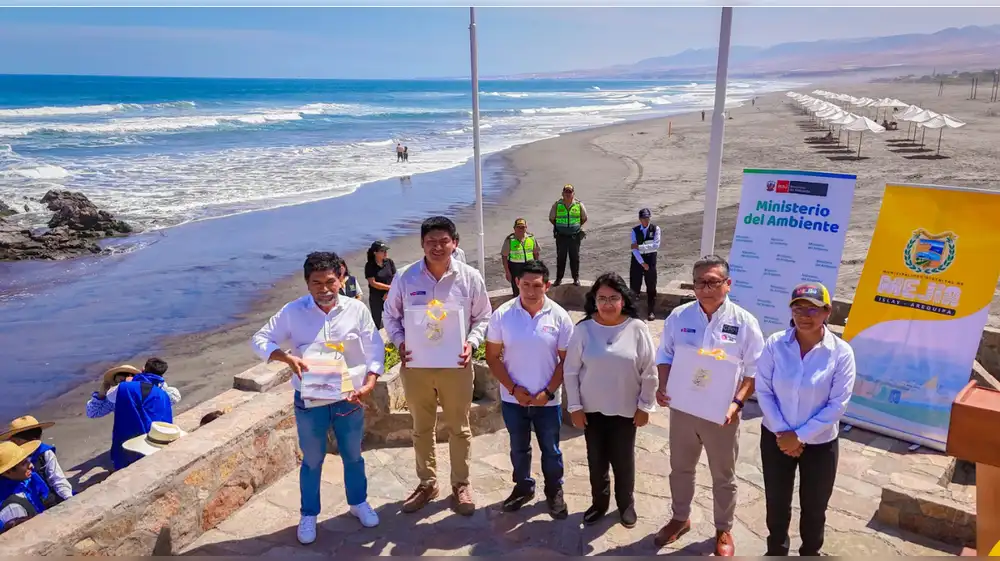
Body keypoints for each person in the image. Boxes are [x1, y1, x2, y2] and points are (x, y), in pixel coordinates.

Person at [252, 251, 385, 544]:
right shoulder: (292, 311)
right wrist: (286, 358)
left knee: (353, 455)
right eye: (316, 283)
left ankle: (358, 503)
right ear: (307, 283)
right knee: (312, 459)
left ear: (341, 279)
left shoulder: (356, 310)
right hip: (309, 402)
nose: (324, 289)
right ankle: (309, 515)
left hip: (347, 398)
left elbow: (374, 346)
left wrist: (371, 380)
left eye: (330, 281)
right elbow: (260, 339)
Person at [652, 254, 765, 557]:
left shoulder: (745, 323)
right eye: (700, 282)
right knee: (681, 469)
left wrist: (736, 405)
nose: (705, 288)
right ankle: (680, 518)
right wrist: (663, 386)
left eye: (713, 282)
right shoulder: (680, 317)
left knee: (723, 475)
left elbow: (755, 372)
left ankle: (723, 528)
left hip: (722, 415)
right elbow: (664, 357)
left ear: (728, 284)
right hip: (684, 410)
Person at [383, 216, 492, 516]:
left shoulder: (470, 278)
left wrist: (472, 341)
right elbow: (389, 315)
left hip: (456, 366)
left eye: (444, 241)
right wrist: (400, 341)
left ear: (454, 243)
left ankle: (461, 484)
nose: (437, 247)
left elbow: (483, 315)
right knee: (421, 428)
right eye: (431, 241)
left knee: (459, 427)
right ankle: (427, 483)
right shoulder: (405, 278)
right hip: (417, 366)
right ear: (422, 244)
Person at [755, 282, 856, 557]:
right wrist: (783, 433)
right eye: (798, 309)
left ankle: (810, 552)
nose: (804, 316)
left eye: (812, 310)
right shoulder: (775, 344)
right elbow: (763, 390)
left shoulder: (841, 353)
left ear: (827, 312)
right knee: (776, 501)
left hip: (821, 443)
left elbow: (838, 404)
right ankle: (776, 550)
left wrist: (798, 436)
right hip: (775, 437)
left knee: (814, 506)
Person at [564, 272, 657, 528]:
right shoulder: (583, 330)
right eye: (601, 298)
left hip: (626, 410)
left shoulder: (637, 328)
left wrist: (645, 406)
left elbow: (649, 371)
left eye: (613, 298)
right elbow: (571, 371)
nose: (606, 304)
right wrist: (575, 407)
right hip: (591, 411)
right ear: (594, 300)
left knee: (623, 460)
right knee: (596, 460)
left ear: (623, 299)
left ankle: (626, 504)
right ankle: (599, 503)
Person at [485, 260, 572, 519]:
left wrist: (547, 392)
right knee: (518, 448)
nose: (531, 291)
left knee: (551, 449)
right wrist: (513, 388)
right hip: (514, 399)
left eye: (537, 285)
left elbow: (566, 360)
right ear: (517, 283)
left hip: (548, 399)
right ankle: (523, 487)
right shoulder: (502, 314)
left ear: (547, 285)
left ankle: (554, 491)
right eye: (526, 285)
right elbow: (492, 357)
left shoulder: (559, 317)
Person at [85, 358, 178, 471]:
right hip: (152, 438)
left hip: (144, 439)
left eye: (128, 375)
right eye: (121, 377)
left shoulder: (136, 390)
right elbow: (92, 412)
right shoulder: (116, 398)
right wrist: (101, 394)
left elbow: (174, 396)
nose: (125, 378)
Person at [0, 416, 72, 503]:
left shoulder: (44, 453)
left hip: (43, 498)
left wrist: (68, 498)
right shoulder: (8, 459)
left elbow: (57, 479)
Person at [0, 441, 50, 532]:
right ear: (7, 472)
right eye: (24, 463)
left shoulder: (24, 484)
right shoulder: (13, 507)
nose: (31, 465)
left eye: (28, 460)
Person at [548, 184, 587, 286]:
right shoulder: (557, 205)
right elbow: (552, 218)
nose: (568, 194)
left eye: (570, 192)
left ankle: (576, 278)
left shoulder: (579, 205)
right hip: (561, 237)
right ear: (562, 193)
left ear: (573, 193)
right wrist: (561, 227)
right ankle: (558, 279)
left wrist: (575, 227)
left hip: (574, 237)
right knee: (561, 258)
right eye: (566, 192)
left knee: (575, 258)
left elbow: (584, 218)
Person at [629, 208, 661, 321]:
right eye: (643, 219)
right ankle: (633, 311)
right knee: (634, 287)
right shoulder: (634, 231)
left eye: (647, 218)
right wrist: (642, 263)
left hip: (651, 261)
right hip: (638, 261)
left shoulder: (655, 229)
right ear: (639, 219)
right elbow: (633, 249)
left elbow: (655, 245)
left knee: (651, 287)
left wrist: (640, 247)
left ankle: (651, 311)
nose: (645, 221)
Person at [501, 218, 540, 297]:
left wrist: (537, 267)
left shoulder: (531, 238)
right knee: (517, 289)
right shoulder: (510, 240)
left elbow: (536, 253)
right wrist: (507, 272)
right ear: (514, 228)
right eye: (518, 227)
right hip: (515, 267)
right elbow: (504, 257)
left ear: (526, 228)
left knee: (530, 288)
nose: (521, 229)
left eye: (523, 227)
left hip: (529, 266)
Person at [364, 241, 396, 331]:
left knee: (393, 319)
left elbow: (395, 278)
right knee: (376, 322)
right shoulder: (369, 265)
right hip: (376, 298)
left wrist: (389, 292)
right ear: (375, 252)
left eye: (386, 250)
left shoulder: (389, 262)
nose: (385, 253)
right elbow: (373, 283)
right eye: (382, 251)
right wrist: (389, 288)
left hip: (390, 295)